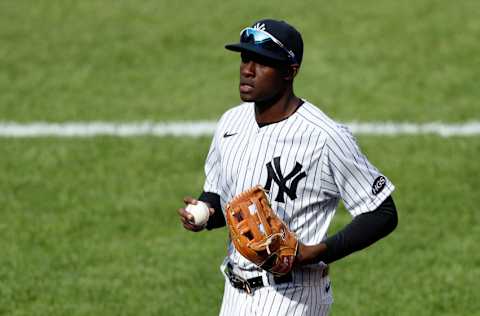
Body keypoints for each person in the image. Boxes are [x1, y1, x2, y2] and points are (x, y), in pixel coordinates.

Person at [178, 18, 398, 316]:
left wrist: (314, 252)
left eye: (262, 62)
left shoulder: (324, 137)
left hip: (293, 297)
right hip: (234, 293)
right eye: (245, 58)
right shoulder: (230, 122)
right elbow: (219, 194)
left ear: (289, 72)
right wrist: (206, 213)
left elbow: (382, 212)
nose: (247, 70)